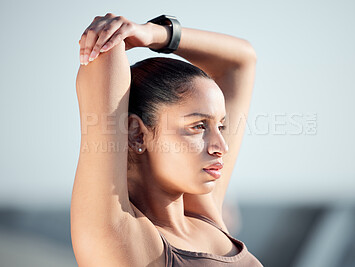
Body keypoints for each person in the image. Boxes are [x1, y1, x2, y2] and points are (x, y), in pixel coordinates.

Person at [71, 13, 261, 266]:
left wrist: (154, 33)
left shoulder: (205, 216)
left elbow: (240, 61)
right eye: (198, 126)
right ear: (137, 133)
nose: (221, 147)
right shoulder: (122, 239)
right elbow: (105, 51)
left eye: (222, 126)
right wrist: (113, 36)